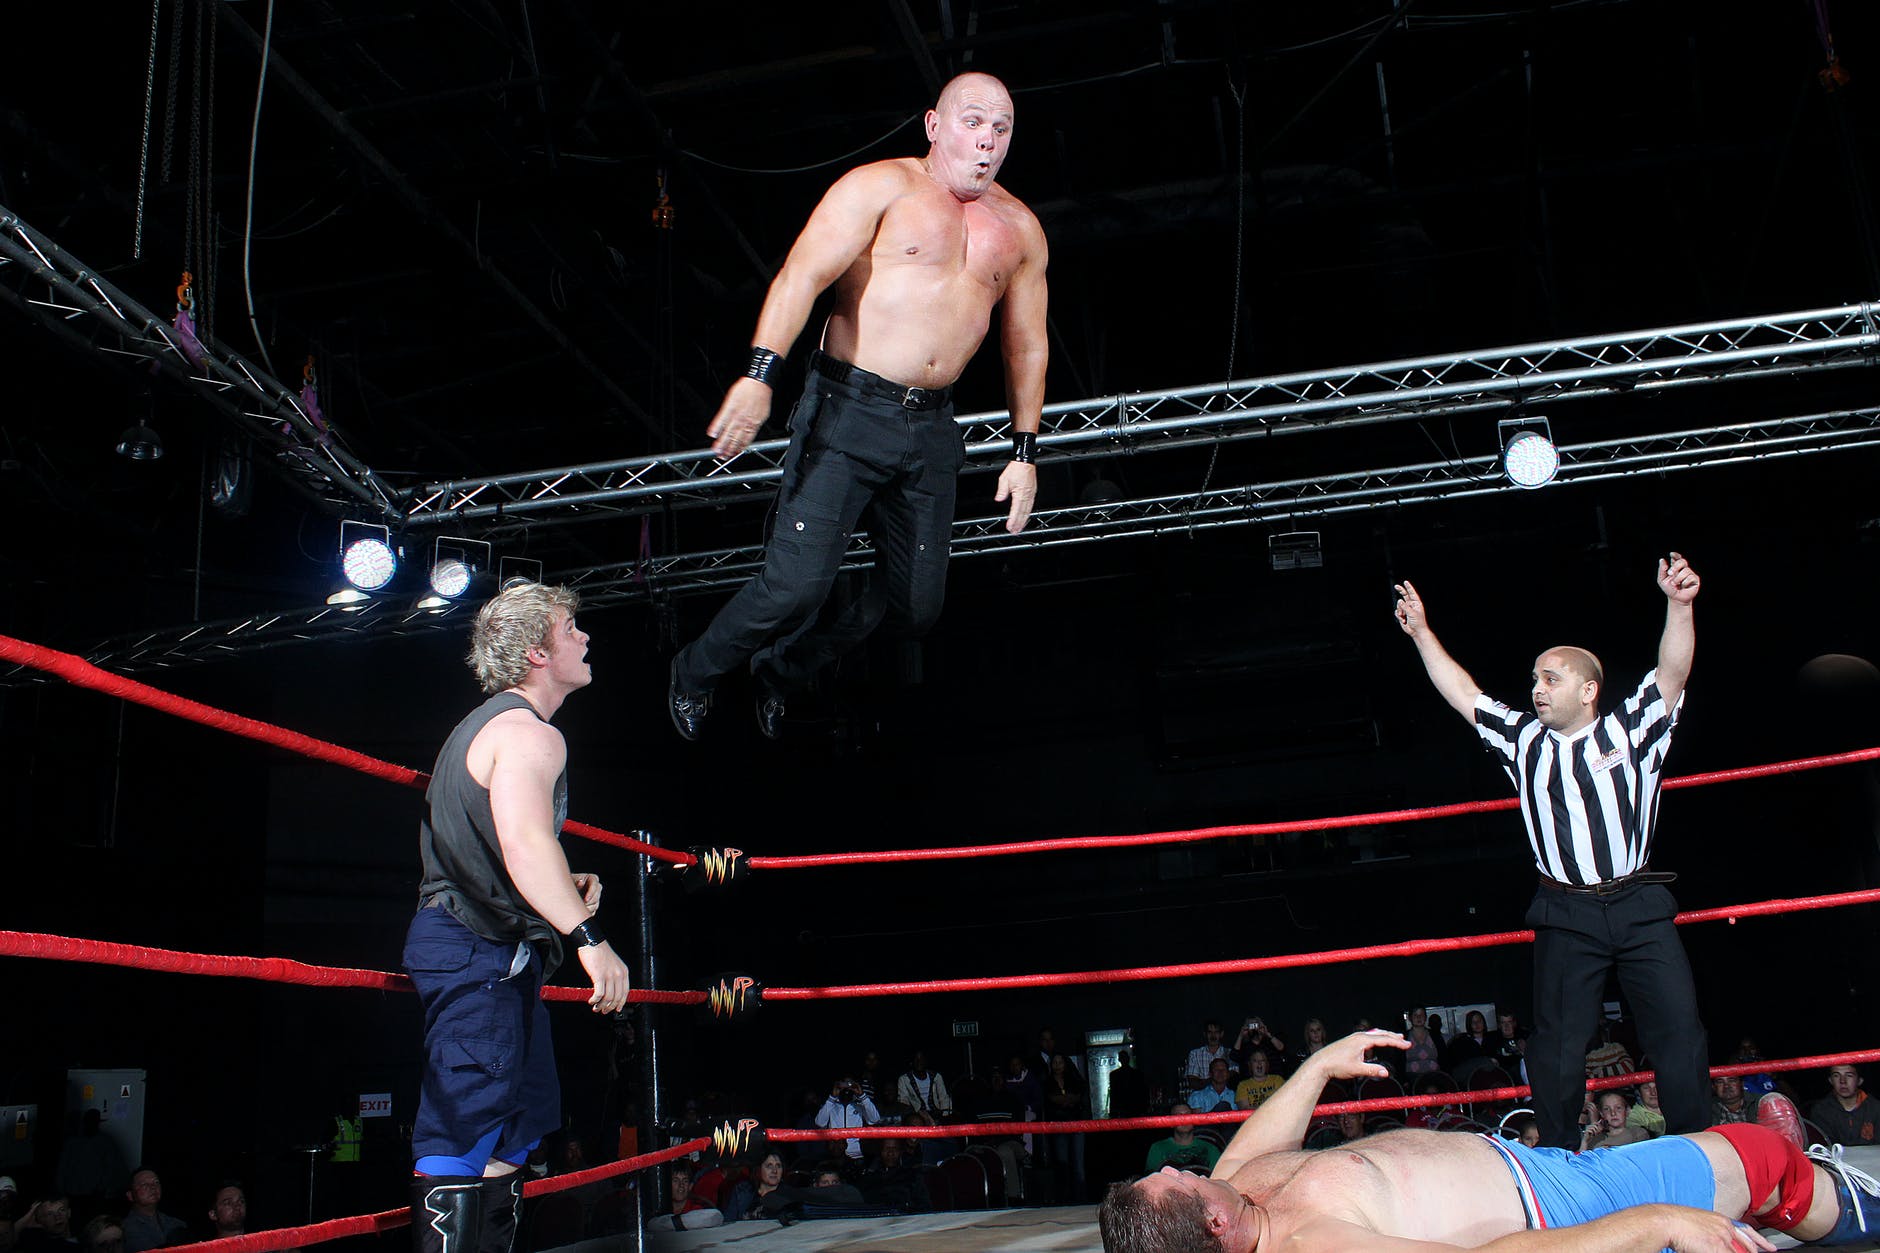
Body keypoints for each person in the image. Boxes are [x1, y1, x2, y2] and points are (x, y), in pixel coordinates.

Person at [667, 71, 1048, 741]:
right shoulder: (880, 187)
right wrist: (759, 375)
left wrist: (1025, 452)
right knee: (794, 588)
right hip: (849, 409)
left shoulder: (1020, 228)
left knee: (915, 608)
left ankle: (781, 672)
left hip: (931, 424)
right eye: (972, 123)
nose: (987, 140)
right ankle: (695, 670)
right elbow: (802, 274)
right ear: (934, 126)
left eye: (1001, 128)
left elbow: (1026, 344)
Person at [1392, 555, 1710, 1149]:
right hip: (1565, 911)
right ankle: (1561, 1158)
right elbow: (1464, 693)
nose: (1537, 689)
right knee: (1558, 1046)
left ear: (1588, 690)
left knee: (1678, 1031)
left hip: (1638, 902)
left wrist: (1679, 604)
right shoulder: (1523, 740)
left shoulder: (1629, 729)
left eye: (1551, 679)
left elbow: (1671, 673)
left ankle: (1698, 1149)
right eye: (1534, 679)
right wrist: (1422, 633)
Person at [1098, 1028, 1880, 1252]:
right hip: (1558, 1207)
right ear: (1213, 1221)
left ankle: (1777, 1198)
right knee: (1758, 1157)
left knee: (1738, 1163)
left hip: (1533, 1165)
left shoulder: (1242, 1188)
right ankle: (1845, 1207)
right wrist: (1654, 1222)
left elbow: (1249, 1148)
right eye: (1183, 1177)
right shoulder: (1314, 1242)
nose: (1193, 1163)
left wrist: (1319, 1065)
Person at [403, 582, 631, 1253]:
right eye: (569, 628)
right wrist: (588, 937)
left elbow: (503, 842)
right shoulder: (531, 734)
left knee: (516, 1127)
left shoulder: (487, 726)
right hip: (476, 947)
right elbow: (526, 843)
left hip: (494, 951)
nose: (584, 637)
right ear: (537, 651)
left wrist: (562, 883)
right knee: (464, 1123)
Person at [814, 1076, 882, 1166]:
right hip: (836, 1154)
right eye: (844, 1085)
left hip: (857, 1156)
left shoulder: (860, 1106)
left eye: (850, 1085)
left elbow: (875, 1119)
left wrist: (862, 1095)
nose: (847, 1088)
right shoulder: (831, 1105)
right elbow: (819, 1122)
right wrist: (832, 1097)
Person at [1812, 1065, 1880, 1147]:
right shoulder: (1821, 1111)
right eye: (1836, 1075)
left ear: (1859, 1080)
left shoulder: (1875, 1108)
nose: (1842, 1081)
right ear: (1830, 1080)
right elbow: (1824, 1147)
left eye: (1849, 1075)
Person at [119, 1171, 186, 1253]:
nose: (153, 1187)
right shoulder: (123, 1230)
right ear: (130, 1195)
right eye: (144, 1184)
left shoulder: (176, 1224)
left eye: (156, 1182)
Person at [1144, 1105, 1221, 1174]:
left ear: (1194, 1119)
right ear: (1170, 1122)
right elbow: (1151, 1180)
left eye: (1187, 1115)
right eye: (1178, 1116)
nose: (1184, 1119)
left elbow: (1218, 1179)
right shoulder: (1158, 1148)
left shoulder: (1210, 1148)